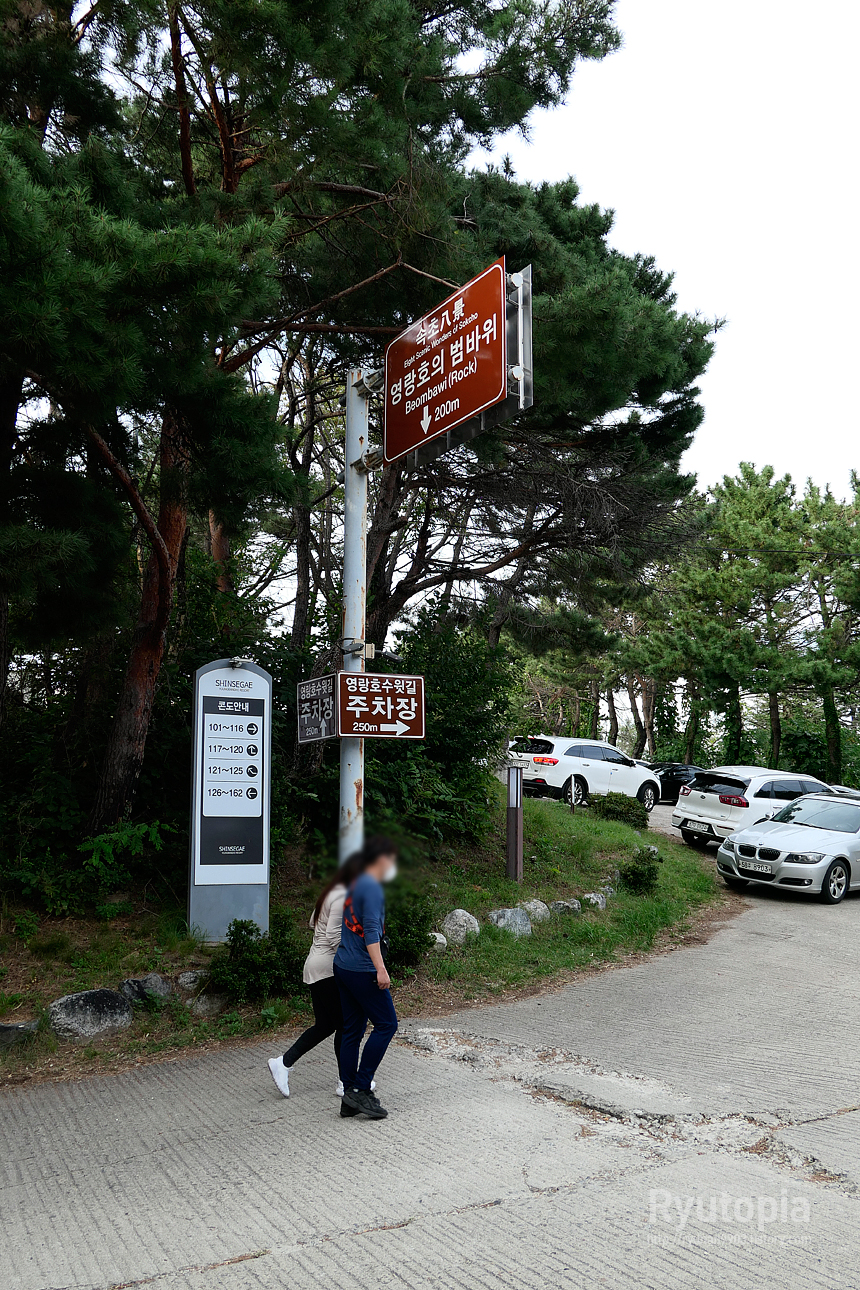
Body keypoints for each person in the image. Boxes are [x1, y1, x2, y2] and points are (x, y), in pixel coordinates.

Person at [267, 852, 361, 1100]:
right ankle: (346, 1082)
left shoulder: (330, 892)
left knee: (326, 1025)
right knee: (345, 1026)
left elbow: (313, 923)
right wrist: (358, 954)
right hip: (327, 968)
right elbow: (333, 936)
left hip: (315, 965)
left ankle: (283, 1063)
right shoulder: (342, 896)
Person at [334, 836, 399, 1121]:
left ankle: (349, 1095)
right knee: (387, 1024)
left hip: (343, 966)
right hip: (362, 968)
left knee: (352, 1030)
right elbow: (371, 932)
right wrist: (380, 969)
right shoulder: (372, 887)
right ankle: (361, 1087)